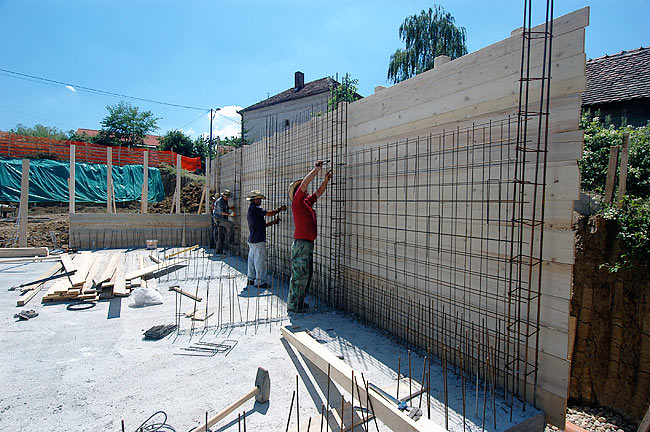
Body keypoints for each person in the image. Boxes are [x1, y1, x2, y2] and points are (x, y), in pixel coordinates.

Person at [287, 160, 332, 312]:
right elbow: (305, 184)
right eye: (300, 188)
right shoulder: (297, 202)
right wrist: (316, 170)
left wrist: (325, 180)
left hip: (307, 244)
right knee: (300, 275)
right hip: (301, 244)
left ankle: (300, 301)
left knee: (307, 275)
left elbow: (318, 193)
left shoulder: (306, 202)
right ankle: (293, 305)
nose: (304, 188)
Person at [246, 190, 286, 289]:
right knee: (260, 261)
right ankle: (260, 282)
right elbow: (269, 213)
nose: (260, 201)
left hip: (253, 239)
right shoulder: (255, 208)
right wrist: (279, 209)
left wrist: (273, 222)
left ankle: (251, 279)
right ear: (254, 200)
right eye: (259, 199)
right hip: (258, 240)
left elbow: (262, 225)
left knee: (251, 260)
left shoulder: (252, 209)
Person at [212, 189, 234, 255]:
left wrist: (230, 208)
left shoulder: (224, 201)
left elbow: (225, 209)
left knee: (220, 234)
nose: (227, 198)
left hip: (220, 218)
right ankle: (230, 240)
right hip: (219, 218)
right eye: (226, 197)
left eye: (228, 197)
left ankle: (219, 250)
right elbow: (221, 212)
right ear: (223, 196)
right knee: (231, 225)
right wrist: (230, 214)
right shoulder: (220, 201)